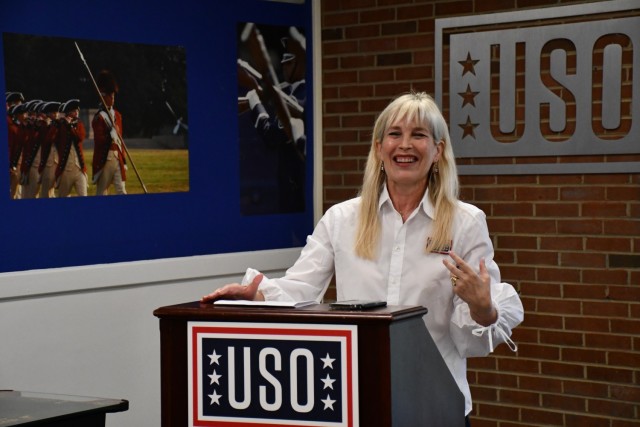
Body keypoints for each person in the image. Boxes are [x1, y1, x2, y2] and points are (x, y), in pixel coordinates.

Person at [202, 92, 524, 425]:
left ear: (438, 150)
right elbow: (300, 288)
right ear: (378, 147)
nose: (405, 145)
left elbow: (470, 337)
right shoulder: (341, 219)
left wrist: (483, 308)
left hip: (434, 404)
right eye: (395, 134)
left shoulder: (466, 222)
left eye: (419, 135)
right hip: (356, 402)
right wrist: (255, 295)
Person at [91, 70, 127, 195]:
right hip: (105, 159)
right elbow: (99, 141)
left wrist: (124, 160)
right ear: (103, 96)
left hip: (118, 158)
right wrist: (111, 132)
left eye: (113, 95)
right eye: (109, 95)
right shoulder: (98, 118)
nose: (112, 98)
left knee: (121, 190)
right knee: (102, 192)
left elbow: (120, 141)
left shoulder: (118, 116)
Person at [55, 99, 88, 197]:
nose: (77, 113)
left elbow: (79, 137)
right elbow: (53, 138)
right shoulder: (60, 125)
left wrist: (70, 126)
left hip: (79, 169)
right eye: (74, 111)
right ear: (68, 113)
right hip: (65, 170)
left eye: (77, 111)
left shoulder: (79, 125)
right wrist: (60, 122)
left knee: (84, 196)